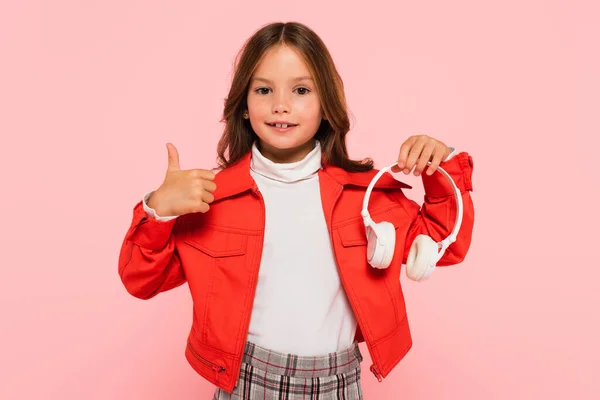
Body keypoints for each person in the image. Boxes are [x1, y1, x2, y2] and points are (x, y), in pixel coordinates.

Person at [118, 21, 475, 400]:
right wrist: (158, 210)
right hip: (246, 381)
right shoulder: (211, 198)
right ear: (243, 106)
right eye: (263, 89)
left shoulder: (366, 195)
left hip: (339, 382)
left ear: (326, 106)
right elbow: (142, 280)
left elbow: (445, 244)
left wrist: (442, 167)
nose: (280, 105)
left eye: (301, 90)